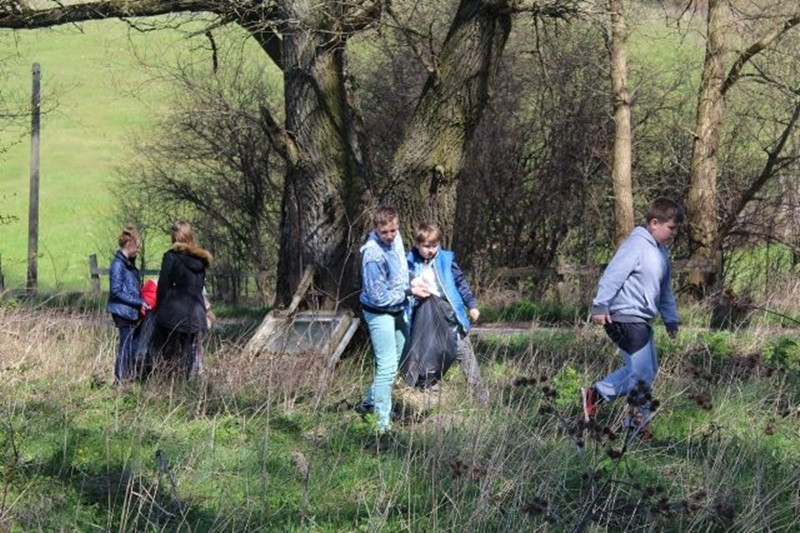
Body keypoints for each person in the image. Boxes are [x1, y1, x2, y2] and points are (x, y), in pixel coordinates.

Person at [581, 197, 683, 437]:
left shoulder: (661, 252)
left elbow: (664, 289)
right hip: (622, 317)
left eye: (677, 229)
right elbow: (612, 275)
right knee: (642, 373)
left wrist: (671, 318)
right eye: (671, 227)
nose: (674, 233)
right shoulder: (635, 245)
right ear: (654, 223)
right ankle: (636, 425)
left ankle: (594, 395)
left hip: (641, 318)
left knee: (648, 369)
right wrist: (600, 305)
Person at [359, 206, 429, 433]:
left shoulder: (396, 239)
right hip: (379, 313)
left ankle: (370, 401)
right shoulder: (372, 255)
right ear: (376, 229)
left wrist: (412, 280)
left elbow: (398, 271)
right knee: (387, 366)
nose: (390, 236)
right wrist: (410, 292)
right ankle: (381, 424)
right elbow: (379, 298)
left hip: (398, 308)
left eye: (393, 230)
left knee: (402, 354)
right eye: (384, 232)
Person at [403, 222, 488, 405]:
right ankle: (429, 404)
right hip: (426, 321)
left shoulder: (445, 260)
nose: (431, 250)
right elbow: (401, 286)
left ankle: (481, 400)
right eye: (426, 246)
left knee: (464, 354)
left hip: (450, 316)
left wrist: (471, 305)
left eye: (434, 245)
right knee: (429, 359)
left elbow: (460, 283)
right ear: (417, 244)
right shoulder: (409, 264)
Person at [151, 220, 213, 379]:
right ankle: (185, 384)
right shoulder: (201, 261)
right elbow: (200, 288)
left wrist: (158, 309)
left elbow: (163, 286)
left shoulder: (171, 257)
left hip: (173, 312)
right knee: (188, 351)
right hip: (195, 312)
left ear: (174, 238)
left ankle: (168, 385)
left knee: (168, 351)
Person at [106, 225, 149, 384]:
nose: (137, 250)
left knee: (132, 346)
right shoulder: (118, 265)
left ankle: (128, 377)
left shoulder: (129, 263)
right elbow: (116, 291)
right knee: (125, 346)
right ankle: (119, 381)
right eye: (136, 247)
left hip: (131, 311)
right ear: (129, 245)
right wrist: (140, 301)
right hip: (122, 312)